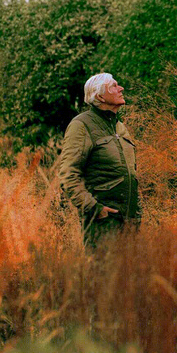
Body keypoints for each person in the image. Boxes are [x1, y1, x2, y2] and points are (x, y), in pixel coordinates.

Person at [56, 73, 141, 248]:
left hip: (131, 222)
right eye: (114, 86)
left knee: (131, 275)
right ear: (100, 96)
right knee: (103, 274)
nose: (120, 88)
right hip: (103, 224)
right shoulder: (81, 125)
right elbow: (68, 175)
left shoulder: (119, 126)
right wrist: (94, 209)